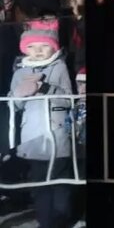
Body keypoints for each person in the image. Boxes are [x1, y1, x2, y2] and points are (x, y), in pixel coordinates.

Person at [9, 20, 74, 228]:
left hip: (58, 135)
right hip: (33, 139)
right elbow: (13, 105)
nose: (37, 51)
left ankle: (61, 218)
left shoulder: (60, 66)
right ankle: (46, 223)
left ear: (53, 46)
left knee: (61, 184)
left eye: (43, 45)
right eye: (32, 46)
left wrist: (46, 88)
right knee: (40, 184)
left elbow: (68, 99)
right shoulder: (19, 70)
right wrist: (19, 94)